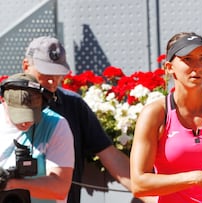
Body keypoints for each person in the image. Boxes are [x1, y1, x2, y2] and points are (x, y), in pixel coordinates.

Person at [21, 36, 154, 203]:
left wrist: (154, 196)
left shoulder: (73, 105)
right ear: (26, 66)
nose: (52, 81)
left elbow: (109, 155)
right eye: (46, 73)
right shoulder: (3, 106)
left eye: (58, 74)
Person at [130, 32, 202, 203]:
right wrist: (196, 178)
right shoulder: (154, 114)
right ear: (169, 67)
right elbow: (139, 184)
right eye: (187, 59)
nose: (198, 66)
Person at [0, 73, 74, 203]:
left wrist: (9, 183)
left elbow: (60, 188)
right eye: (19, 115)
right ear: (3, 100)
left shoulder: (56, 125)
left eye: (31, 114)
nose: (25, 122)